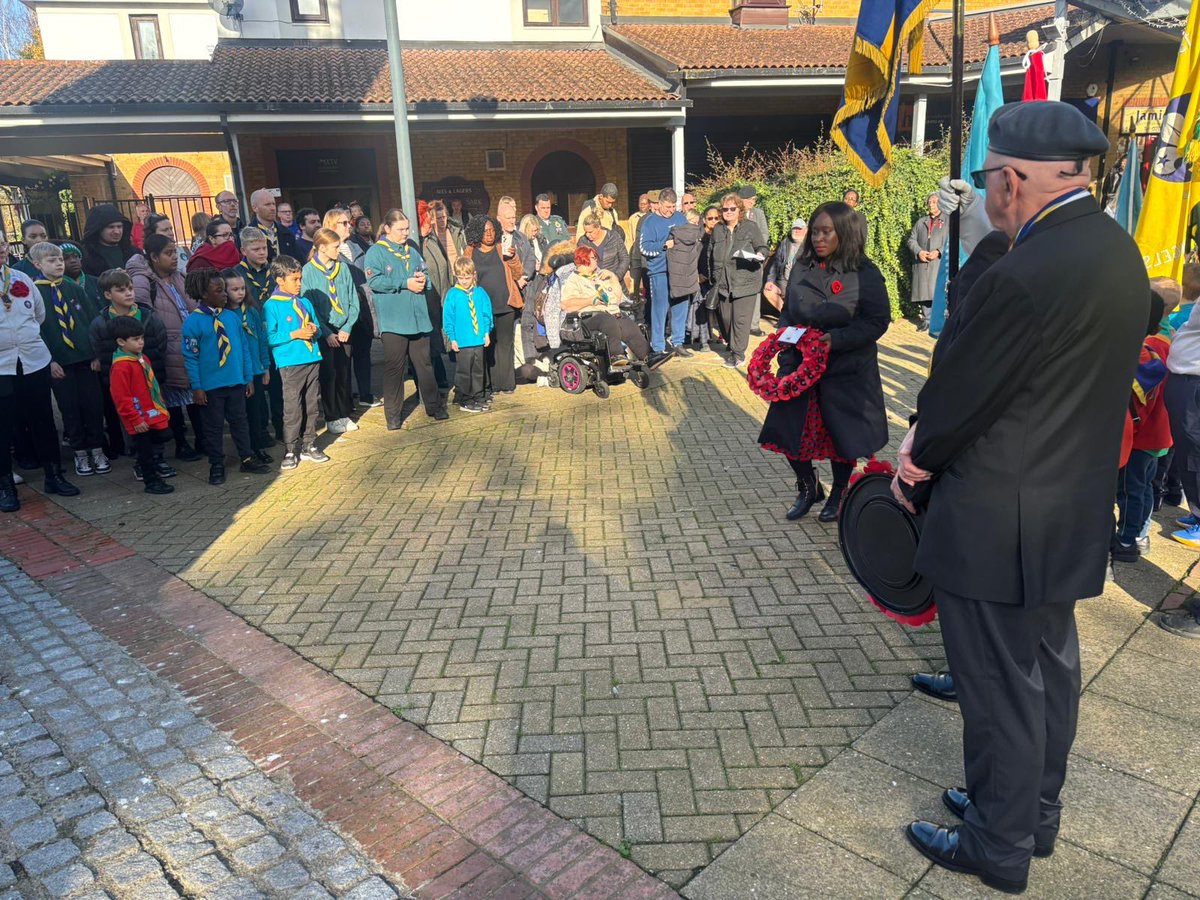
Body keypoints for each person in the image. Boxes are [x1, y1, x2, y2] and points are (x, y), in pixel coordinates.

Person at [894, 102, 1148, 894]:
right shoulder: (1115, 249)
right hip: (1066, 507)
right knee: (1047, 672)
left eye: (988, 181)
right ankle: (1031, 811)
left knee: (998, 688)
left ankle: (997, 844)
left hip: (998, 515)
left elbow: (960, 397)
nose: (987, 195)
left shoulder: (1024, 272)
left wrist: (914, 467)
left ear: (1010, 180)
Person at [760, 201, 888, 522]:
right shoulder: (802, 266)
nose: (817, 238)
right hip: (800, 367)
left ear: (843, 233)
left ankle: (840, 491)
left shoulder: (864, 272)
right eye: (815, 232)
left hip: (844, 371)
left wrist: (837, 340)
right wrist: (784, 350)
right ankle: (808, 486)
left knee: (839, 438)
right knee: (787, 431)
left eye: (825, 232)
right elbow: (788, 314)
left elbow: (876, 322)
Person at [0, 257, 80, 510]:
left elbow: (39, 314)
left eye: (2, 243)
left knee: (43, 420)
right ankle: (5, 486)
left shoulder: (21, 279)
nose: (1, 249)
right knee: (3, 427)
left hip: (32, 359)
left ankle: (54, 475)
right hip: (2, 365)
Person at [182, 267, 270, 485]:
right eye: (219, 291)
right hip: (211, 386)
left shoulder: (231, 318)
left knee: (240, 421)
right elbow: (191, 357)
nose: (224, 295)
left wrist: (248, 377)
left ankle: (247, 457)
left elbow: (243, 350)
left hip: (236, 382)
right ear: (204, 294)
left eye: (224, 290)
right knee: (213, 427)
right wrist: (197, 386)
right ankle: (216, 464)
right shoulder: (193, 322)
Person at [29, 241, 108, 478]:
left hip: (85, 358)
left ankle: (97, 449)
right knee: (69, 408)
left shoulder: (74, 289)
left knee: (93, 405)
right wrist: (49, 360)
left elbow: (92, 321)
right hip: (59, 362)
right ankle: (80, 452)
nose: (58, 264)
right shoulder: (35, 292)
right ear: (37, 264)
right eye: (52, 261)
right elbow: (36, 330)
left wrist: (95, 354)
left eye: (60, 260)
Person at [364, 210, 446, 427]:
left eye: (407, 228)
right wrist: (404, 282)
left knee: (425, 364)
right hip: (394, 321)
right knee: (394, 368)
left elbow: (425, 273)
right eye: (400, 229)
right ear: (388, 229)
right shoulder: (376, 252)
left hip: (418, 318)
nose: (405, 233)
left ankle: (434, 406)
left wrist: (422, 279)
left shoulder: (411, 250)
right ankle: (393, 416)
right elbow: (374, 282)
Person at [89, 268, 169, 474]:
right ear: (108, 295)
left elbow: (160, 341)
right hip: (124, 380)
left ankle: (158, 457)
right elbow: (100, 348)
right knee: (132, 421)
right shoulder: (101, 322)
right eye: (121, 290)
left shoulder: (148, 316)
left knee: (155, 418)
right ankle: (140, 461)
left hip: (150, 379)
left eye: (130, 288)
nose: (128, 293)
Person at [1112, 290, 1171, 563]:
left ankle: (1126, 541)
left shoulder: (1135, 356)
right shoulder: (1160, 349)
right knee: (1144, 487)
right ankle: (1140, 535)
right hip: (1158, 434)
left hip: (1137, 439)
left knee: (1129, 491)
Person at [137, 233, 203, 461]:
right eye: (168, 253)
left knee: (195, 395)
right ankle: (181, 443)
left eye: (175, 252)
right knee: (173, 399)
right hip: (168, 347)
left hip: (190, 345)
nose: (174, 257)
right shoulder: (147, 282)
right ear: (154, 257)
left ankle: (201, 439)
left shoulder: (180, 277)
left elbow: (193, 303)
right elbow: (143, 310)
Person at [263, 256, 329, 468]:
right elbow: (270, 337)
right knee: (292, 407)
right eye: (294, 279)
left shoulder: (305, 302)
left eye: (300, 278)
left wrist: (313, 330)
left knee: (312, 405)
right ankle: (290, 449)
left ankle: (309, 443)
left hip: (312, 357)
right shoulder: (271, 305)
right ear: (280, 280)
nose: (299, 283)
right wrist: (295, 333)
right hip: (291, 363)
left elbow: (317, 327)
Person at [302, 228, 360, 436]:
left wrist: (347, 327)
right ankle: (332, 416)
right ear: (322, 247)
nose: (339, 250)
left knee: (344, 373)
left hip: (344, 330)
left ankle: (344, 413)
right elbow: (309, 307)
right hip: (324, 331)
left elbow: (354, 300)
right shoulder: (308, 271)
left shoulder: (342, 268)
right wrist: (326, 333)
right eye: (336, 247)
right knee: (329, 375)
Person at [108, 316, 174, 495]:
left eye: (142, 338)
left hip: (150, 411)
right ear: (121, 342)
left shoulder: (141, 358)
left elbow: (152, 383)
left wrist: (160, 399)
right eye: (136, 339)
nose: (141, 342)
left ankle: (155, 474)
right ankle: (150, 481)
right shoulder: (121, 367)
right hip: (138, 417)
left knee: (158, 442)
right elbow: (122, 398)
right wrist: (135, 419)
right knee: (144, 452)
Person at [559, 245, 653, 367]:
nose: (596, 261)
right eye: (593, 258)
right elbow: (566, 304)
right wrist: (590, 301)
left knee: (629, 325)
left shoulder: (599, 276)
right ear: (583, 259)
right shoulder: (573, 280)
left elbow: (617, 299)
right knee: (608, 320)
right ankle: (616, 355)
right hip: (589, 317)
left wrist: (613, 278)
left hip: (610, 314)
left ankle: (648, 357)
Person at [463, 215, 523, 396]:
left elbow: (518, 272)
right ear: (476, 232)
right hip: (482, 308)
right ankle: (491, 384)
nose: (489, 234)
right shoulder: (470, 252)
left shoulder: (501, 248)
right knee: (487, 345)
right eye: (484, 231)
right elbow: (464, 275)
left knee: (505, 344)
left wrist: (512, 258)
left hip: (505, 304)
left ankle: (506, 383)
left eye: (491, 230)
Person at [709, 193, 768, 369]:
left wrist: (760, 255)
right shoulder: (718, 229)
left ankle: (738, 354)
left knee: (740, 321)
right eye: (725, 209)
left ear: (739, 210)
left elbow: (762, 247)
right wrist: (711, 275)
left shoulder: (750, 227)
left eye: (732, 209)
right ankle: (732, 344)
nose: (728, 212)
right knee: (726, 319)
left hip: (746, 281)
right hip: (723, 283)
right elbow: (709, 253)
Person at [221, 268, 273, 461]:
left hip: (256, 369)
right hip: (237, 373)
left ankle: (259, 447)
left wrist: (265, 366)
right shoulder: (224, 315)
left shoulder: (251, 311)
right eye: (234, 289)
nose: (240, 293)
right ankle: (247, 450)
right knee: (241, 416)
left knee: (257, 412)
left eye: (242, 288)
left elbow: (261, 340)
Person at [640, 188, 688, 355]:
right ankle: (658, 347)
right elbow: (644, 248)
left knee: (680, 306)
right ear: (659, 204)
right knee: (659, 309)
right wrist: (663, 245)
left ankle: (678, 342)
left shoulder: (681, 218)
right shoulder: (649, 222)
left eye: (673, 206)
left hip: (680, 270)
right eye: (667, 207)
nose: (671, 210)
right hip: (659, 271)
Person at [442, 257, 493, 412]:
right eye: (461, 278)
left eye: (467, 277)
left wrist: (486, 332)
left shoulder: (480, 293)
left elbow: (486, 314)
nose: (464, 281)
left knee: (478, 370)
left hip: (478, 339)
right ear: (456, 276)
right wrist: (452, 338)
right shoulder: (453, 294)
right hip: (462, 341)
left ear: (474, 275)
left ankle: (478, 396)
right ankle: (465, 399)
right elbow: (448, 318)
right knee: (464, 372)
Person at [420, 205, 454, 393]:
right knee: (430, 341)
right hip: (426, 299)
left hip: (439, 297)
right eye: (427, 219)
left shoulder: (431, 239)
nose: (431, 222)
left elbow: (443, 268)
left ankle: (440, 378)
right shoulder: (417, 242)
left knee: (436, 339)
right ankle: (434, 383)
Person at [666, 209, 703, 357]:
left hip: (667, 274)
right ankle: (678, 342)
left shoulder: (673, 232)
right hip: (687, 278)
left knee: (661, 311)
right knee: (680, 311)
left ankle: (660, 344)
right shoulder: (697, 235)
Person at [908, 193, 947, 331]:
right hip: (923, 262)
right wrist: (919, 251)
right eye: (929, 202)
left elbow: (954, 239)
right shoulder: (921, 222)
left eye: (935, 202)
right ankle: (926, 320)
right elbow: (911, 240)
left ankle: (940, 322)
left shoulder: (948, 221)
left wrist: (939, 251)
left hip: (939, 263)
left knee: (939, 292)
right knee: (924, 292)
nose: (931, 204)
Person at [80, 205, 134, 278]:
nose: (117, 232)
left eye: (119, 226)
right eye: (111, 227)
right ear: (99, 229)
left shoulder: (133, 253)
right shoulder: (86, 257)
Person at [247, 189, 297, 261]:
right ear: (255, 208)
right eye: (267, 204)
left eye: (273, 204)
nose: (273, 208)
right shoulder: (247, 235)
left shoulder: (286, 232)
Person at [578, 214, 629, 283]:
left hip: (614, 283)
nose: (587, 235)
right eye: (585, 232)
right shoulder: (583, 241)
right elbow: (579, 262)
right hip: (593, 285)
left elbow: (624, 258)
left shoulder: (614, 237)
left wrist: (616, 276)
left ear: (598, 227)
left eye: (590, 232)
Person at [764, 218, 807, 300]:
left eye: (799, 229)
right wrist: (770, 281)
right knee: (768, 290)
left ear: (806, 230)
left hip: (800, 283)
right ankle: (783, 310)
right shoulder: (785, 242)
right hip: (783, 282)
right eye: (794, 228)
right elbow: (775, 264)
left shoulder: (809, 245)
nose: (796, 231)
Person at [60, 242, 101, 309]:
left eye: (75, 256)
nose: (73, 261)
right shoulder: (58, 287)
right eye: (66, 258)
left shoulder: (96, 282)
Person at [626, 193, 651, 301]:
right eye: (641, 204)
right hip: (635, 253)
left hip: (646, 254)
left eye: (645, 204)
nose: (642, 206)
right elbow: (629, 238)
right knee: (634, 282)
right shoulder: (633, 218)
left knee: (647, 281)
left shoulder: (652, 217)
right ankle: (634, 302)